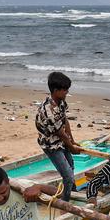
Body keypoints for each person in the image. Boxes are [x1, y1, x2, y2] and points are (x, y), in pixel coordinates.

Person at [35, 71, 93, 202]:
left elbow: (64, 121)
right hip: (51, 144)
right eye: (65, 90)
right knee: (68, 176)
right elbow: (60, 133)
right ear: (56, 91)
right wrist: (71, 147)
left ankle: (73, 192)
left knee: (71, 165)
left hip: (61, 140)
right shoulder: (48, 110)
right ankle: (65, 202)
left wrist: (72, 140)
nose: (67, 92)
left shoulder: (61, 102)